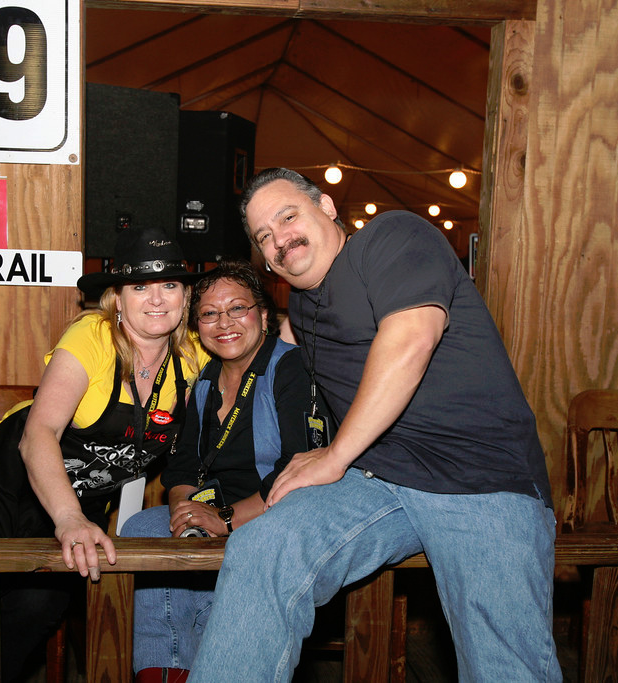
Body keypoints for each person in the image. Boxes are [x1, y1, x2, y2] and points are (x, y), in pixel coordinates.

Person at [188, 168, 561, 682]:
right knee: (261, 549)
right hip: (377, 479)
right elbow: (246, 350)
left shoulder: (392, 237)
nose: (279, 239)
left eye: (288, 217)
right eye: (264, 236)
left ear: (327, 207)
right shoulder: (302, 307)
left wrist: (335, 455)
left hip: (478, 476)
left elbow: (411, 339)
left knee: (503, 663)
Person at [0, 226, 209, 682]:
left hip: (78, 502)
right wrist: (70, 518)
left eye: (169, 284)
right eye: (140, 286)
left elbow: (255, 355)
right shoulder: (92, 336)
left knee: (38, 606)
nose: (156, 299)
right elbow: (39, 433)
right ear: (118, 297)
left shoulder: (194, 356)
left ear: (186, 295)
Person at [119, 260, 330, 683]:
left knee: (239, 555)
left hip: (276, 514)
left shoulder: (292, 368)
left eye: (237, 309)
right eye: (210, 313)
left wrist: (226, 519)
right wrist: (185, 512)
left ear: (264, 316)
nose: (224, 323)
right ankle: (166, 671)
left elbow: (300, 468)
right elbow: (182, 465)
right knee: (143, 526)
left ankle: (216, 663)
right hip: (213, 512)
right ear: (197, 327)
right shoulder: (205, 378)